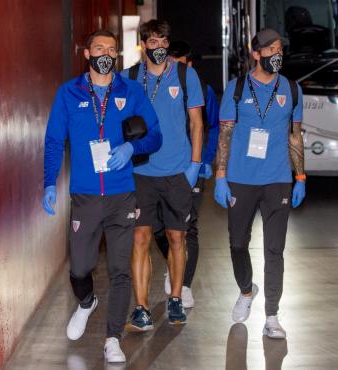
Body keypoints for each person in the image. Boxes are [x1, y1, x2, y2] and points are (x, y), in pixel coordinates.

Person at [42, 29, 161, 363]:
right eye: (99, 48)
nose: (106, 54)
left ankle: (112, 338)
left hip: (122, 194)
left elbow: (155, 136)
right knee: (80, 268)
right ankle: (86, 302)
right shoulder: (68, 93)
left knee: (120, 270)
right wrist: (49, 182)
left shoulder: (131, 91)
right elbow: (53, 141)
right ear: (87, 54)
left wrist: (131, 147)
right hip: (85, 196)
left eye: (111, 49)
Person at [214, 28, 306, 339]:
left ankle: (272, 316)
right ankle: (245, 289)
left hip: (278, 180)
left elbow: (295, 135)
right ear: (256, 55)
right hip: (240, 179)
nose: (276, 56)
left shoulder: (292, 90)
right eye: (271, 51)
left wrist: (301, 177)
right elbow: (225, 133)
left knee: (274, 250)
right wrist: (221, 176)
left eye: (280, 50)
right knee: (238, 243)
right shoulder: (236, 88)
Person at [121, 20, 205, 330]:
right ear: (143, 44)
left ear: (168, 43)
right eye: (152, 41)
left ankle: (175, 299)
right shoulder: (129, 77)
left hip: (177, 171)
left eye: (163, 40)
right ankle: (141, 307)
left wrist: (194, 166)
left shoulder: (185, 74)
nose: (158, 46)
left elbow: (197, 123)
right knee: (140, 237)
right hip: (140, 172)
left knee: (176, 237)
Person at [153, 40, 220, 308]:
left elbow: (212, 126)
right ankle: (174, 263)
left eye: (180, 64)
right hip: (159, 168)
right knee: (158, 225)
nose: (173, 68)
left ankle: (186, 284)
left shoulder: (204, 91)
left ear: (189, 65)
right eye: (170, 62)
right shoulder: (154, 88)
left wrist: (205, 160)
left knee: (188, 226)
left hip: (191, 168)